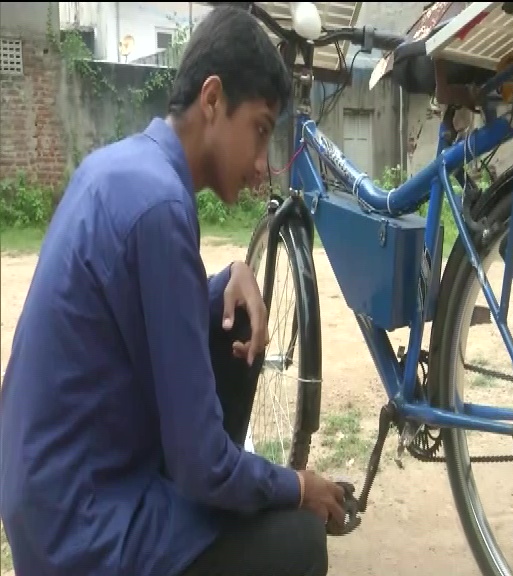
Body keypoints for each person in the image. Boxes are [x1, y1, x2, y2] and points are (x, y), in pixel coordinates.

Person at [0, 5, 347, 576]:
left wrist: (230, 276)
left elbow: (143, 308)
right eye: (259, 130)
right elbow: (201, 463)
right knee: (300, 543)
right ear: (213, 101)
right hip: (81, 530)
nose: (263, 166)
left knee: (230, 318)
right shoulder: (161, 206)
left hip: (49, 496)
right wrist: (296, 485)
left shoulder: (122, 168)